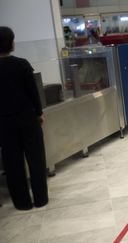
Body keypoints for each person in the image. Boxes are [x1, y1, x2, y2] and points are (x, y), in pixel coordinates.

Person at [0, 26, 49, 210]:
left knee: (12, 162)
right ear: (10, 43)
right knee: (36, 158)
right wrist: (39, 113)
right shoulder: (22, 64)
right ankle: (40, 198)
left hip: (4, 121)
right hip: (27, 117)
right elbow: (33, 92)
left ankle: (22, 202)